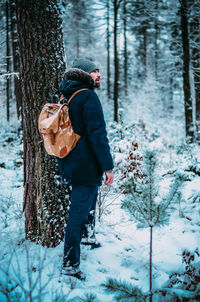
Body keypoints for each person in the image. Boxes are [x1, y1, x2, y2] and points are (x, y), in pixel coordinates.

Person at [57, 58, 114, 280]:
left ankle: (89, 237)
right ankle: (70, 264)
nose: (98, 75)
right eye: (94, 71)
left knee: (88, 202)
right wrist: (107, 166)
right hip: (86, 165)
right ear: (83, 74)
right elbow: (98, 134)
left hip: (70, 162)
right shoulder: (87, 96)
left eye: (99, 71)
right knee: (77, 215)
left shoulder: (67, 95)